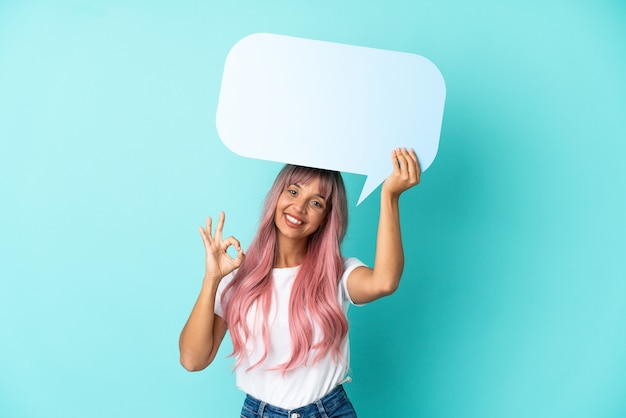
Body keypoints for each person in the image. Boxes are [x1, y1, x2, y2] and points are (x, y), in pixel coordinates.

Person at [179, 148, 421, 417]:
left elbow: (385, 281)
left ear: (325, 219)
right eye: (293, 191)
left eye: (316, 202)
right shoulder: (238, 277)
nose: (299, 207)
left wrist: (390, 196)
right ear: (278, 195)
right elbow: (192, 359)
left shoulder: (338, 273)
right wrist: (212, 279)